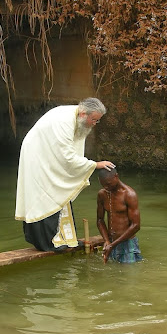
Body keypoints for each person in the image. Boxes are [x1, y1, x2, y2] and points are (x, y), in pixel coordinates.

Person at [15, 98, 116, 251]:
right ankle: (47, 243)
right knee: (46, 193)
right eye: (94, 120)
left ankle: (64, 238)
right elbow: (67, 157)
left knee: (60, 192)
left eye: (97, 120)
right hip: (38, 155)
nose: (95, 124)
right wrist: (95, 165)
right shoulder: (65, 122)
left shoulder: (77, 118)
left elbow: (70, 152)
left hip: (48, 153)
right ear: (83, 114)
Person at [96, 167, 142, 263]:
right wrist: (107, 241)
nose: (106, 188)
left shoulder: (129, 194)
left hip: (127, 243)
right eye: (103, 185)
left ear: (116, 176)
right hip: (111, 242)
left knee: (129, 275)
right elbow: (100, 220)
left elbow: (136, 226)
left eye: (108, 184)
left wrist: (112, 245)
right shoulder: (102, 194)